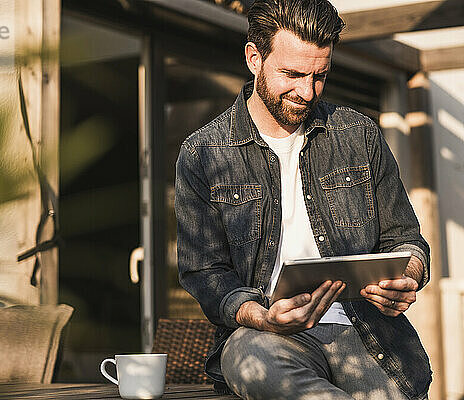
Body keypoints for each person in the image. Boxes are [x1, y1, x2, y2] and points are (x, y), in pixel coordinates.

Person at [174, 0, 431, 399]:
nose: (307, 92)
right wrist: (259, 315)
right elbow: (204, 272)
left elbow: (406, 239)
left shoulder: (358, 135)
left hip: (367, 333)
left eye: (319, 76)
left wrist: (408, 275)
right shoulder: (203, 153)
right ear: (254, 58)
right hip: (265, 335)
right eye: (292, 74)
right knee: (249, 358)